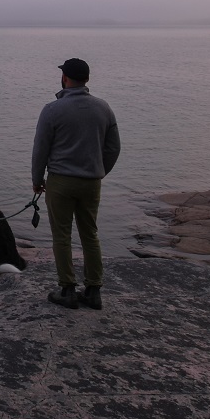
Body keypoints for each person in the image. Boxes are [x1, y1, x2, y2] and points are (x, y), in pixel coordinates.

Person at [32, 57, 120, 310]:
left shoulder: (52, 110)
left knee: (62, 237)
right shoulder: (103, 108)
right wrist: (99, 171)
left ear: (65, 78)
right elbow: (114, 147)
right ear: (87, 80)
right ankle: (93, 291)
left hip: (61, 181)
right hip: (91, 182)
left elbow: (40, 150)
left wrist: (37, 181)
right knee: (90, 234)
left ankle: (67, 290)